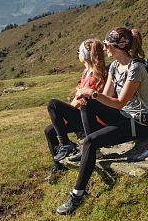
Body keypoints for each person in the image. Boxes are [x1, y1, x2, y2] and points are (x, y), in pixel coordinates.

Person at [55, 27, 148, 215]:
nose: (106, 48)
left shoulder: (136, 68)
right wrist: (89, 98)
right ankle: (94, 150)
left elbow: (118, 103)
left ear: (119, 46)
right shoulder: (115, 67)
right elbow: (106, 97)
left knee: (91, 141)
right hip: (125, 115)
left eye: (108, 45)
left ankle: (77, 194)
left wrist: (92, 93)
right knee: (87, 103)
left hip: (140, 121)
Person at [44, 38, 107, 182]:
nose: (77, 54)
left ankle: (65, 144)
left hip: (93, 121)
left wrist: (66, 114)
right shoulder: (87, 73)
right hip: (83, 115)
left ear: (85, 55)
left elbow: (79, 101)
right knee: (49, 131)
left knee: (53, 104)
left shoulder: (94, 75)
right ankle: (59, 165)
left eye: (79, 51)